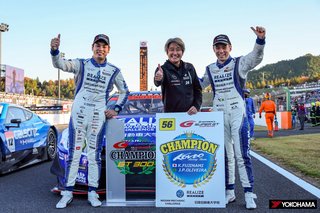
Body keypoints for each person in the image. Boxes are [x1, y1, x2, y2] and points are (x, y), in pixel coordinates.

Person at [50, 34, 129, 208]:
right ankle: (67, 192)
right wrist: (55, 51)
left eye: (104, 46)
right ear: (92, 47)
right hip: (79, 113)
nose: (100, 48)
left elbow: (124, 91)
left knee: (94, 156)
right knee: (74, 153)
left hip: (98, 116)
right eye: (97, 45)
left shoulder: (114, 70)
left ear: (108, 50)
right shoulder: (81, 64)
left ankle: (92, 193)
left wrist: (115, 109)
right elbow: (60, 64)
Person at [200, 26, 266, 209]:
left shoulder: (239, 63)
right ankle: (229, 192)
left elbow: (256, 57)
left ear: (230, 47)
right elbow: (197, 84)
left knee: (242, 154)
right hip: (219, 115)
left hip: (238, 113)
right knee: (225, 155)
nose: (221, 50)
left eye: (224, 47)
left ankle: (248, 192)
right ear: (214, 49)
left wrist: (260, 40)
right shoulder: (210, 69)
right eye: (217, 47)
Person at [154, 37, 202, 115]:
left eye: (178, 49)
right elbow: (157, 82)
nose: (175, 53)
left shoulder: (189, 67)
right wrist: (158, 78)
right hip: (171, 117)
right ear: (167, 52)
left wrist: (196, 106)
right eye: (171, 49)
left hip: (190, 116)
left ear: (182, 52)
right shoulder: (162, 70)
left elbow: (198, 90)